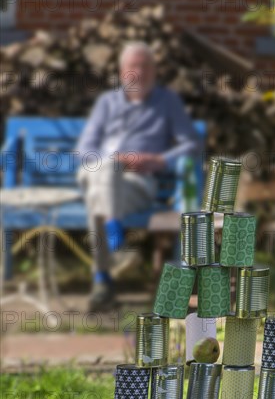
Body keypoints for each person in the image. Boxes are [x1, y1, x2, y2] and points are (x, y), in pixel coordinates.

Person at [76, 42, 199, 311]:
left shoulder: (168, 102)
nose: (139, 72)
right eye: (133, 66)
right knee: (107, 168)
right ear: (122, 72)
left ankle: (102, 280)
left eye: (145, 66)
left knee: (97, 199)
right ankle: (116, 245)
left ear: (154, 72)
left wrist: (159, 160)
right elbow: (84, 150)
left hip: (137, 183)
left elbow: (191, 143)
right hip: (99, 171)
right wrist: (114, 162)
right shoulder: (106, 103)